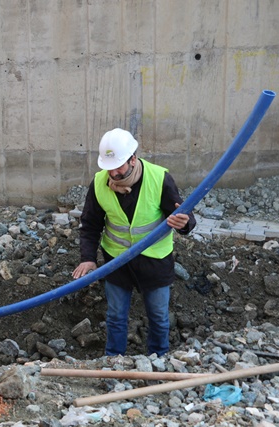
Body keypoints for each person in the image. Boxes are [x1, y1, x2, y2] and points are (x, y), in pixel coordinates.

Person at [72, 128, 196, 357]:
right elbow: (90, 225)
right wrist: (88, 258)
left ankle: (159, 359)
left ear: (133, 159)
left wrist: (184, 223)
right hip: (117, 261)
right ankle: (113, 360)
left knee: (158, 316)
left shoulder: (159, 179)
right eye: (109, 167)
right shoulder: (100, 182)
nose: (114, 172)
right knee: (116, 316)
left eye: (119, 165)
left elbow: (185, 218)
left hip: (155, 262)